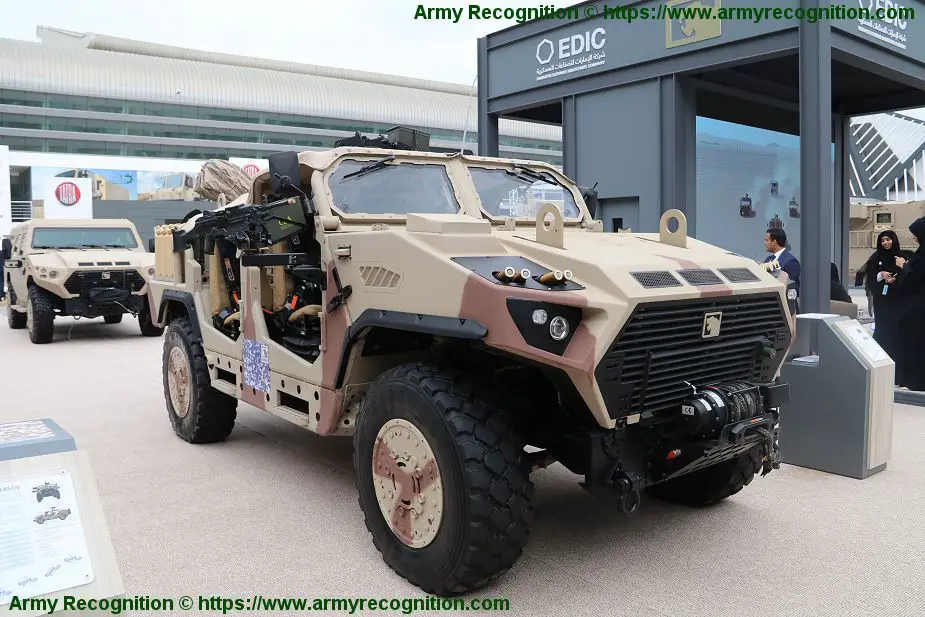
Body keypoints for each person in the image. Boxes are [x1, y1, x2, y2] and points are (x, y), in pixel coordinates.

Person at [889, 217, 925, 390]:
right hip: (917, 306)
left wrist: (904, 267)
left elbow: (915, 280)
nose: (913, 237)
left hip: (917, 308)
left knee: (914, 343)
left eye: (916, 234)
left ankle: (915, 380)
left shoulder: (922, 255)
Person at [860, 231, 905, 362]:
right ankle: (880, 359)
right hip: (882, 300)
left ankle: (896, 360)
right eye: (882, 240)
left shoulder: (902, 257)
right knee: (882, 329)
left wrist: (896, 279)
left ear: (894, 240)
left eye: (888, 239)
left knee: (897, 330)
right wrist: (881, 275)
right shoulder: (875, 258)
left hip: (898, 300)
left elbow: (909, 277)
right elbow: (870, 280)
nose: (885, 243)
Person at [763, 228, 801, 296]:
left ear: (774, 242)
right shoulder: (768, 259)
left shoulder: (791, 261)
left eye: (767, 240)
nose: (764, 243)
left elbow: (794, 288)